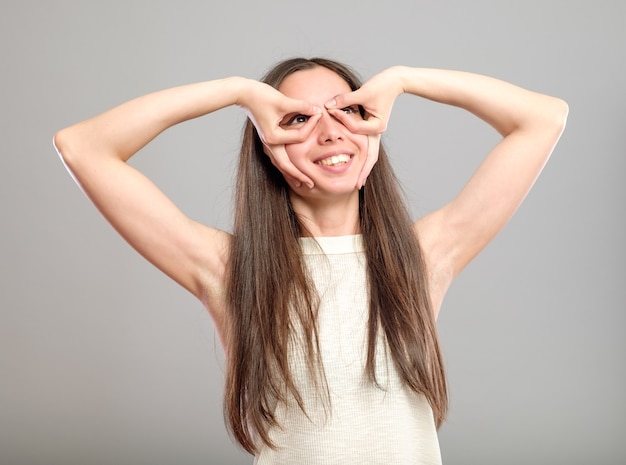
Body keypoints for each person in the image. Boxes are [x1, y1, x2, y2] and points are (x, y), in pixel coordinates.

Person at [53, 57, 568, 464]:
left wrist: (405, 80)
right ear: (267, 143)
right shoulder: (231, 268)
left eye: (350, 111)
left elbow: (543, 118)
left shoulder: (422, 256)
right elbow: (84, 146)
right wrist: (237, 92)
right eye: (297, 119)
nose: (331, 132)